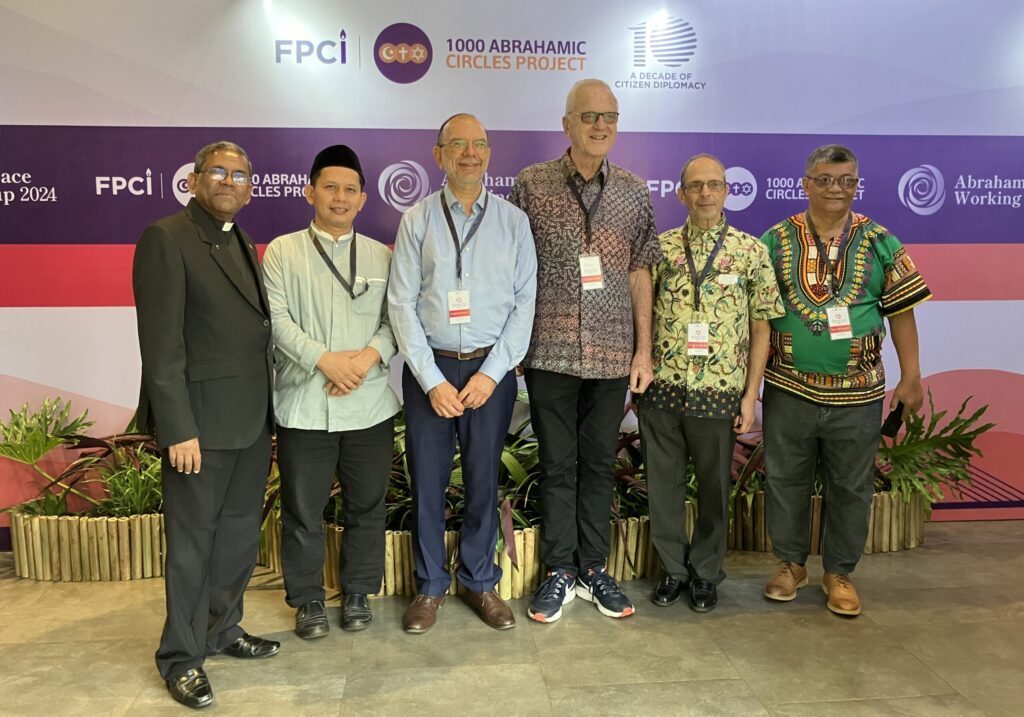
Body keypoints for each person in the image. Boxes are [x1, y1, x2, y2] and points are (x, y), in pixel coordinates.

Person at [508, 79, 663, 623]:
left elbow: (642, 271)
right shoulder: (531, 185)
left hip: (613, 353)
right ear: (567, 123)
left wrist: (643, 350)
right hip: (548, 350)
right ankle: (558, 572)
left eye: (611, 117)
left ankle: (594, 568)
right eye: (590, 116)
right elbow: (513, 268)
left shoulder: (634, 191)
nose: (601, 126)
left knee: (599, 463)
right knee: (557, 465)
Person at [133, 141, 278, 710]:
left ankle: (221, 629)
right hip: (199, 428)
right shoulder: (167, 239)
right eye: (218, 172)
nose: (229, 181)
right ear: (194, 180)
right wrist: (178, 429)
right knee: (192, 545)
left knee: (238, 537)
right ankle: (181, 658)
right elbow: (161, 349)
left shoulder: (238, 237)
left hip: (248, 420)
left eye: (240, 174)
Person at [760, 144, 931, 616]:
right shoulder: (775, 240)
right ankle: (791, 564)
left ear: (856, 184)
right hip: (788, 386)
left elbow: (901, 313)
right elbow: (753, 316)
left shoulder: (880, 241)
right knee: (785, 478)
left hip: (859, 392)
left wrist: (911, 376)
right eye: (826, 179)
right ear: (806, 183)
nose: (836, 188)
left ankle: (839, 572)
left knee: (851, 485)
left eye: (846, 180)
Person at [388, 113, 537, 633]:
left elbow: (525, 305)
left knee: (482, 480)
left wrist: (491, 374)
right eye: (458, 145)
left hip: (488, 373)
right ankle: (429, 587)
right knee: (426, 483)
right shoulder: (417, 220)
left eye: (478, 145)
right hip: (429, 368)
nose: (469, 153)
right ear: (439, 155)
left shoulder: (514, 223)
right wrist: (430, 379)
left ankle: (478, 580)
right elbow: (401, 303)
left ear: (489, 154)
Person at [262, 145, 401, 638]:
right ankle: (307, 600)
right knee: (303, 511)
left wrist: (363, 360)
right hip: (305, 405)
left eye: (349, 190)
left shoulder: (383, 256)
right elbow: (276, 321)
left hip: (369, 404)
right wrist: (324, 360)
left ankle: (359, 591)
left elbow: (394, 321)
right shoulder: (281, 251)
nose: (339, 198)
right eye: (330, 187)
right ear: (309, 192)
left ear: (363, 199)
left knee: (367, 505)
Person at [638, 154, 783, 612]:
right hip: (663, 389)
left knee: (715, 488)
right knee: (663, 486)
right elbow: (641, 314)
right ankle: (673, 570)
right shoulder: (658, 250)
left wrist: (750, 393)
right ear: (680, 193)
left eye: (714, 185)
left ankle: (704, 573)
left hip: (720, 391)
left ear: (726, 192)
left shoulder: (750, 251)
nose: (705, 194)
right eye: (696, 186)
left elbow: (763, 325)